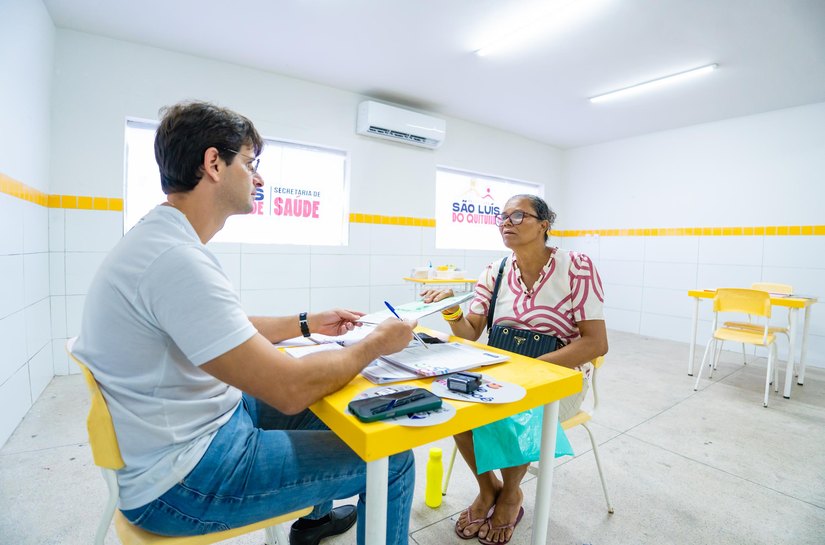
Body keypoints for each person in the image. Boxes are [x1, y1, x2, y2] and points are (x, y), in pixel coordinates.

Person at [72, 101, 417, 545]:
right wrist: (376, 343)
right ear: (213, 163)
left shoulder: (162, 241)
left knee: (338, 408)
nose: (259, 179)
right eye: (250, 164)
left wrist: (306, 323)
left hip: (194, 433)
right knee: (391, 454)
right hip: (184, 482)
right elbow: (290, 390)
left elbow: (223, 327)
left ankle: (314, 520)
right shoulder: (175, 260)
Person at [421, 194, 607, 545]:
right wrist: (450, 311)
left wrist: (525, 372)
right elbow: (470, 332)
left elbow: (596, 343)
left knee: (516, 411)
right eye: (502, 216)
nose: (506, 222)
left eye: (518, 215)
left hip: (558, 378)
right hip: (501, 372)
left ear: (544, 224)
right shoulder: (495, 271)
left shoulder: (576, 267)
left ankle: (511, 495)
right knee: (455, 409)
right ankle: (488, 487)